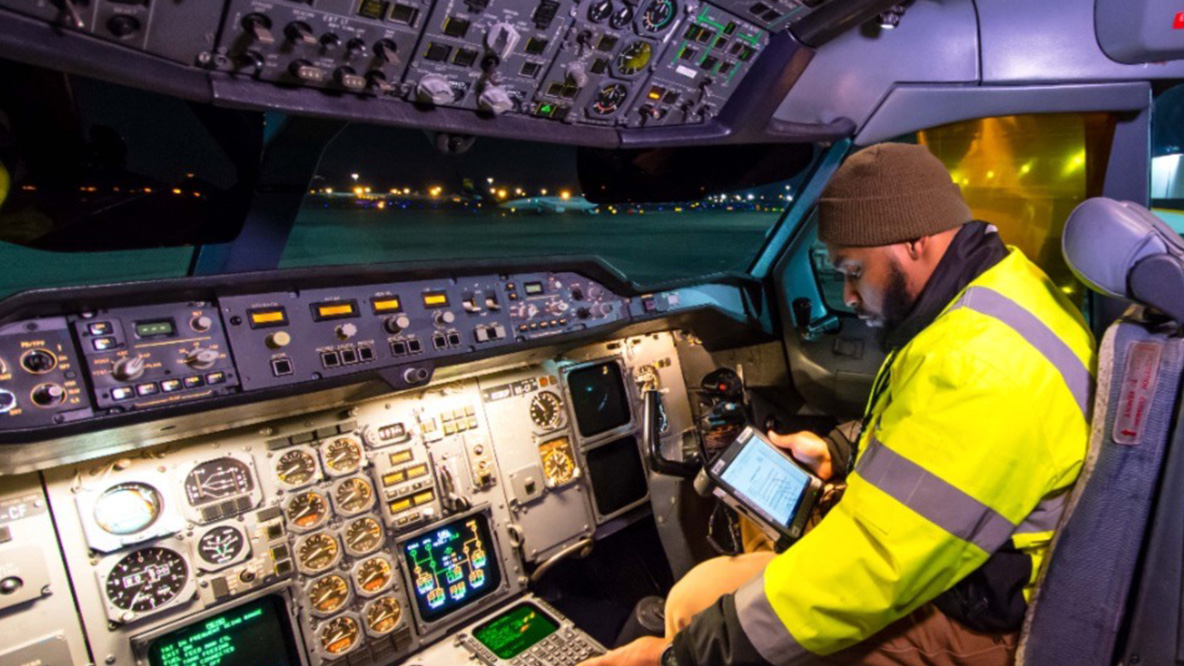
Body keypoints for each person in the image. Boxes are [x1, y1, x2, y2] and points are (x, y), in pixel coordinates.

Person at [581, 143, 1095, 666]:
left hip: (986, 617)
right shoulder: (1004, 290)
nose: (848, 296)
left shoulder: (983, 365)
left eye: (852, 270)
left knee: (694, 606)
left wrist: (682, 658)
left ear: (913, 242)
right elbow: (941, 443)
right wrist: (839, 453)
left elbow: (874, 564)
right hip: (979, 566)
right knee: (728, 573)